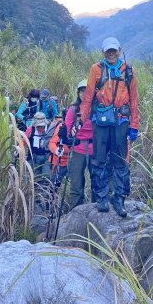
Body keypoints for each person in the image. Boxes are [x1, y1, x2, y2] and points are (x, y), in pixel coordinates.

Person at [80, 37, 139, 218]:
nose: (111, 54)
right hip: (101, 121)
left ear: (119, 50)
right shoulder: (96, 69)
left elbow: (134, 99)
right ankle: (102, 198)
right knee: (99, 160)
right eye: (108, 51)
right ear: (103, 52)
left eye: (114, 51)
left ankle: (119, 198)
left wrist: (134, 125)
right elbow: (89, 95)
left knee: (120, 161)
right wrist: (83, 119)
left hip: (121, 121)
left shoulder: (128, 70)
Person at [59, 79, 94, 209]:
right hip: (78, 149)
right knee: (76, 184)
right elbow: (67, 125)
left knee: (97, 183)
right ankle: (75, 212)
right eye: (82, 91)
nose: (84, 94)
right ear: (78, 93)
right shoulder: (73, 110)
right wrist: (63, 133)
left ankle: (96, 212)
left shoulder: (96, 108)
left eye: (87, 91)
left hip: (95, 149)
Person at [23, 111, 52, 179]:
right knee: (35, 176)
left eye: (42, 126)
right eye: (38, 126)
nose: (40, 128)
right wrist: (18, 149)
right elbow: (24, 141)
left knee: (47, 176)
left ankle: (46, 188)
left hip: (47, 157)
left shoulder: (50, 129)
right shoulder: (30, 130)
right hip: (34, 157)